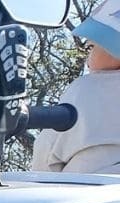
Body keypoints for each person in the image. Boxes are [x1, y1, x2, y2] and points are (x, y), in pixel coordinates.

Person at [32, 1, 120, 174]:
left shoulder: (87, 89)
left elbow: (46, 153)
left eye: (91, 47)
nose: (88, 61)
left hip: (85, 193)